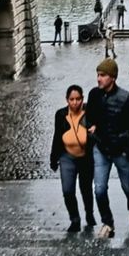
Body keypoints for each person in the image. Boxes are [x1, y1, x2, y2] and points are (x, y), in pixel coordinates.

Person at [86, 58, 129, 238]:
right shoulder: (94, 95)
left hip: (121, 151)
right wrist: (91, 129)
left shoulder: (127, 99)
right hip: (102, 149)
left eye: (102, 75)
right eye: (98, 75)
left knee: (128, 187)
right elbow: (88, 117)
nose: (98, 79)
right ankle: (107, 222)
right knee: (99, 189)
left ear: (112, 77)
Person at [49, 84, 96, 232]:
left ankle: (89, 214)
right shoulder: (61, 115)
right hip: (66, 156)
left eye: (78, 99)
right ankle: (74, 219)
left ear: (82, 99)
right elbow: (57, 136)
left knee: (86, 188)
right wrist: (53, 158)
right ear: (67, 100)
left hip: (86, 157)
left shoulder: (90, 112)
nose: (75, 103)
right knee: (68, 190)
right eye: (71, 99)